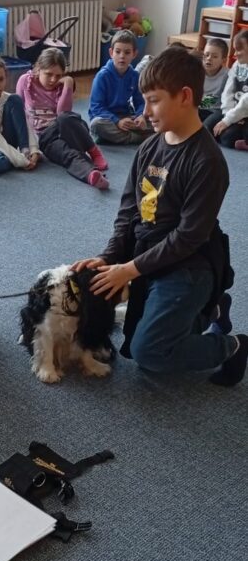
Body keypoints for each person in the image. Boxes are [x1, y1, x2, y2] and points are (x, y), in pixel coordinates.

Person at [74, 47, 247, 387]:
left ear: (184, 96)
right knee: (132, 331)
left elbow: (188, 237)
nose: (145, 111)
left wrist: (129, 270)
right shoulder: (149, 148)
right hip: (150, 257)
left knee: (150, 354)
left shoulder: (207, 161)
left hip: (189, 265)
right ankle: (208, 311)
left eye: (153, 101)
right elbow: (128, 213)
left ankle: (232, 346)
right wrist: (109, 257)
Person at [16, 47, 109, 190]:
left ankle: (94, 151)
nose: (53, 80)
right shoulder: (25, 81)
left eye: (58, 76)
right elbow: (19, 113)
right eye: (49, 74)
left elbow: (63, 113)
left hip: (68, 129)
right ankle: (91, 175)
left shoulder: (61, 85)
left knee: (64, 118)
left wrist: (68, 83)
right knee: (68, 154)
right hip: (45, 137)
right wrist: (27, 145)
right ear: (38, 68)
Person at [88, 30, 151, 146]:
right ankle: (135, 138)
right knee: (96, 125)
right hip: (106, 118)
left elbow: (140, 101)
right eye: (118, 52)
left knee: (156, 119)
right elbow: (96, 108)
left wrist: (140, 115)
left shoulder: (134, 76)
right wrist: (117, 121)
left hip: (126, 116)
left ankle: (117, 136)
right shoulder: (102, 76)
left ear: (134, 54)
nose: (122, 56)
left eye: (127, 52)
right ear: (111, 53)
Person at [212, 29, 248, 150]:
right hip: (232, 111)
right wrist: (228, 114)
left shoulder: (224, 72)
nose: (235, 54)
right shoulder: (237, 64)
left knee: (228, 137)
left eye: (239, 49)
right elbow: (227, 92)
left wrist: (228, 120)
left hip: (242, 112)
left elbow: (245, 102)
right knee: (212, 131)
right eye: (206, 55)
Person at [199, 37, 229, 130]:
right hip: (198, 107)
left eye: (214, 56)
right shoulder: (197, 71)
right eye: (206, 55)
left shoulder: (227, 75)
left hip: (216, 110)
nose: (209, 59)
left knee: (204, 128)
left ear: (223, 60)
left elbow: (222, 100)